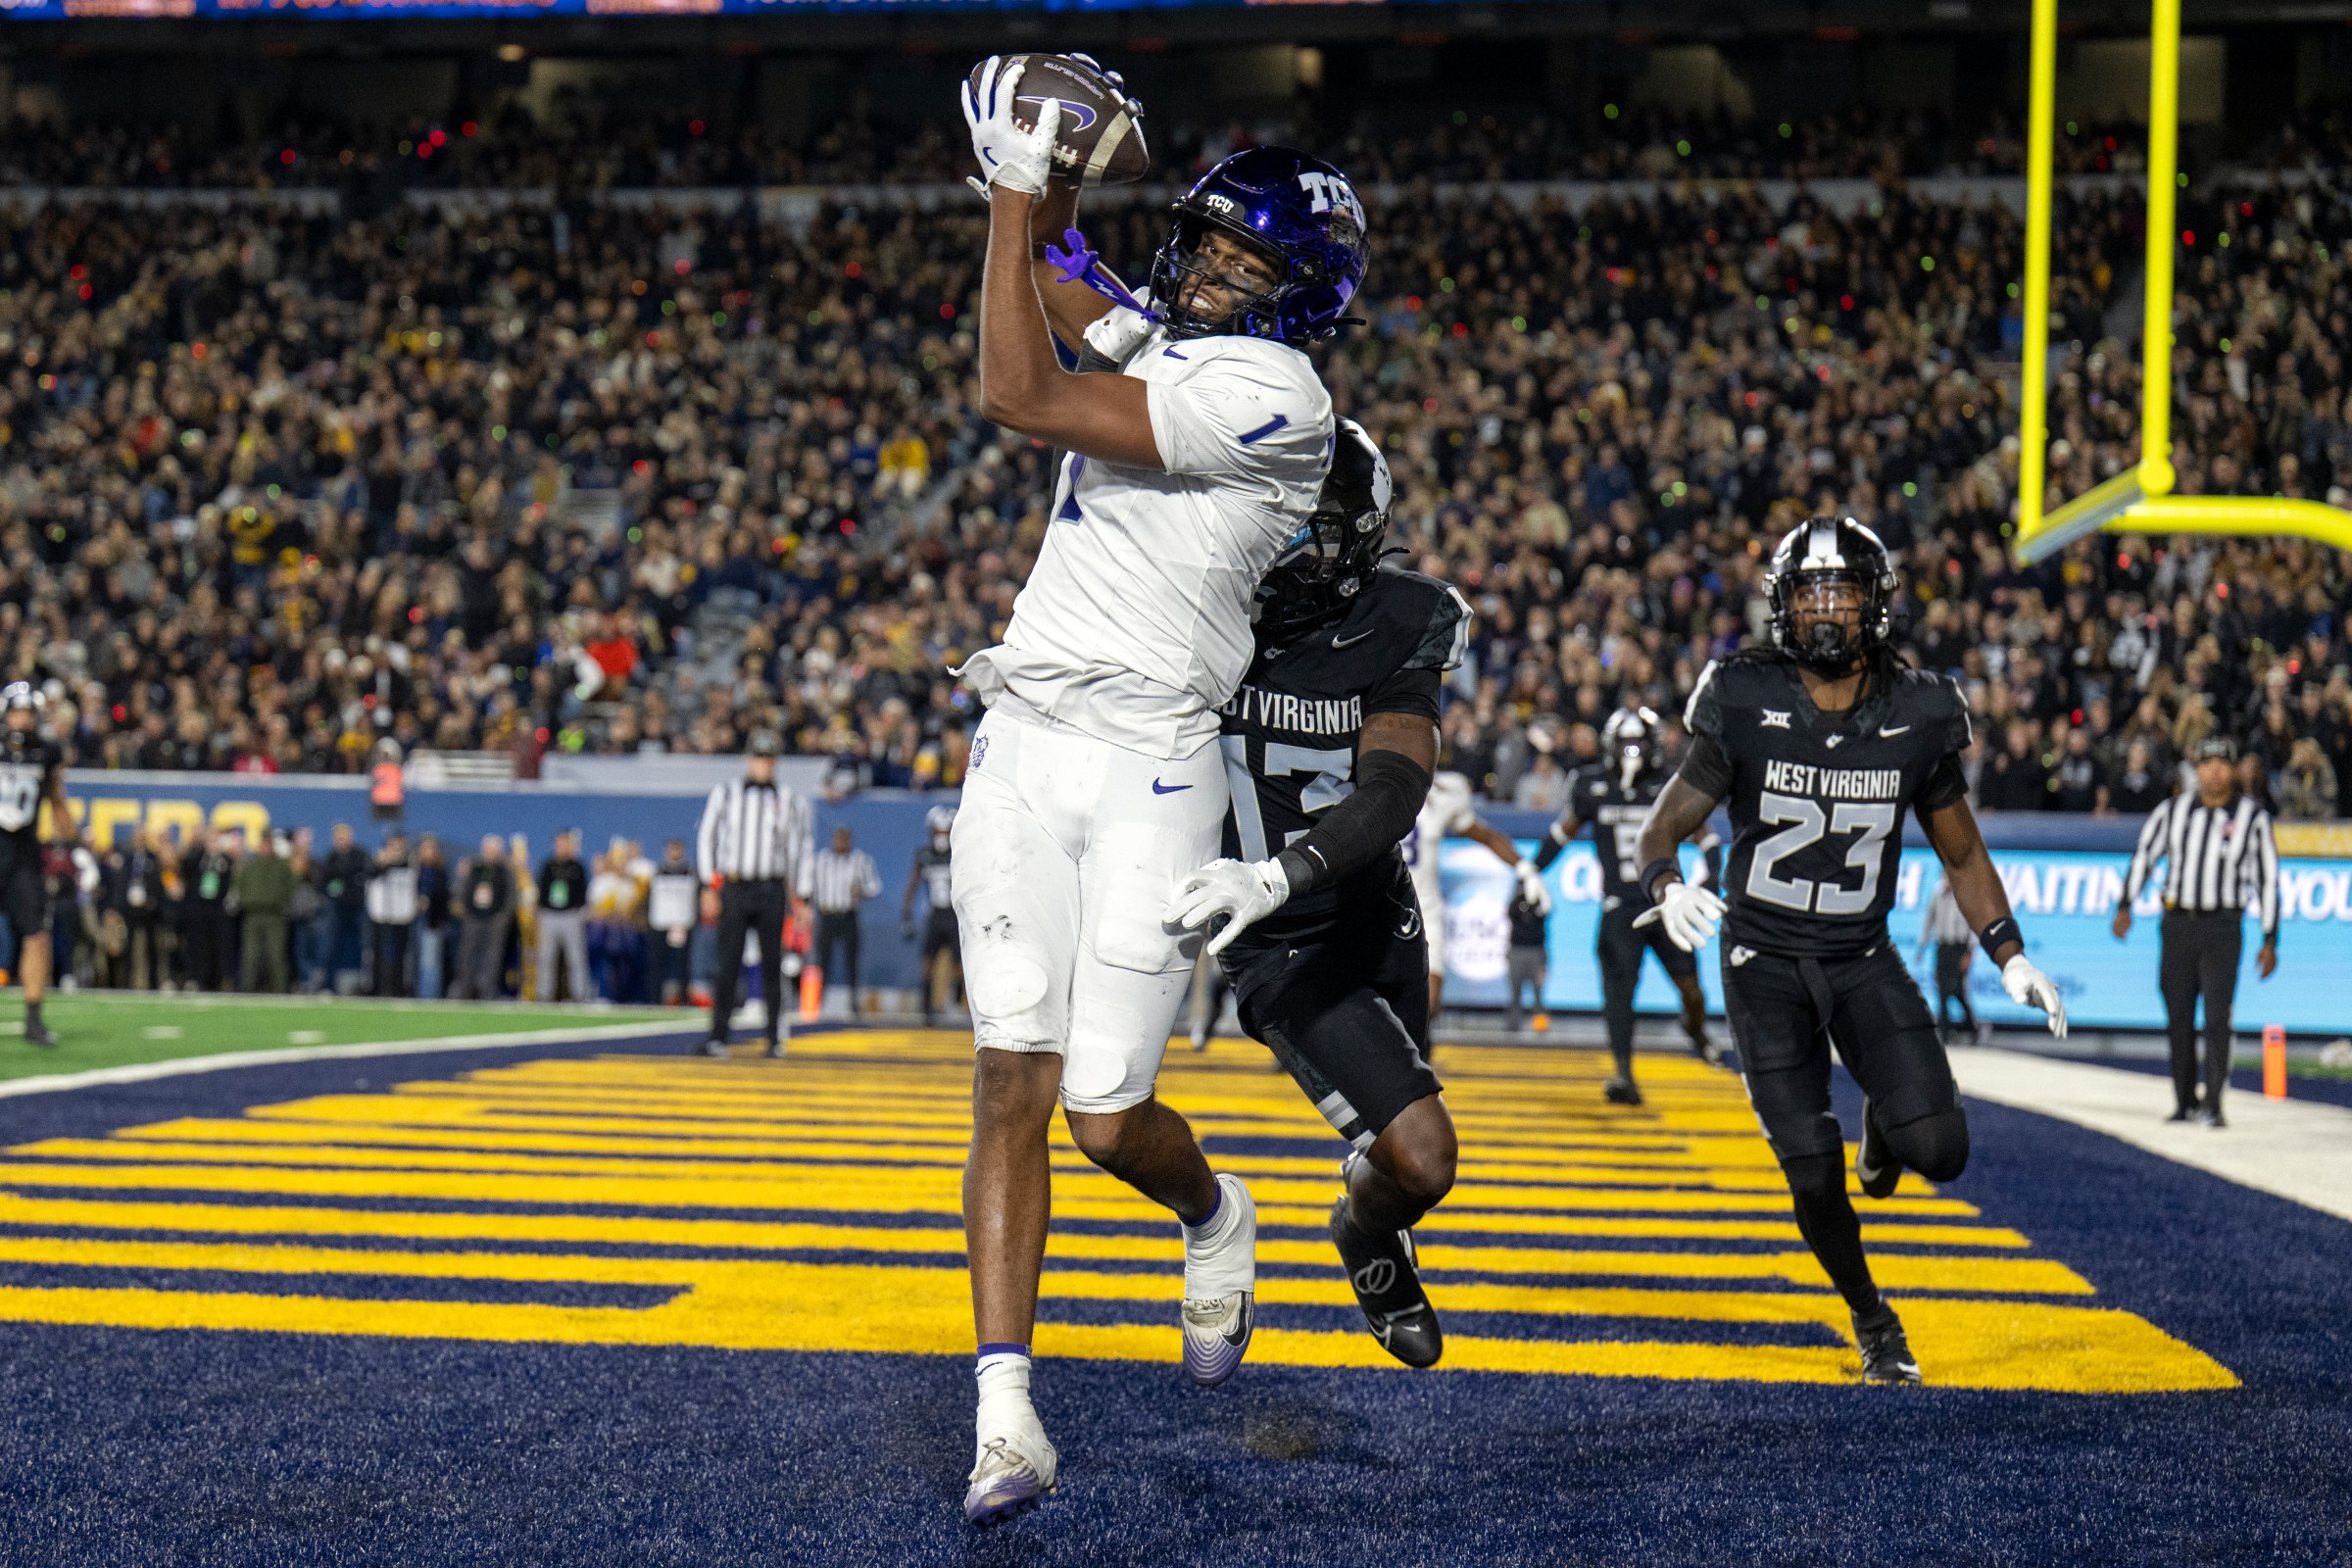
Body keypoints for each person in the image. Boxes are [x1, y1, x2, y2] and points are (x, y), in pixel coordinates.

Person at [955, 59, 1359, 1524]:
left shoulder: (1278, 399)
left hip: (1156, 760)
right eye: (1211, 243)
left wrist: (1016, 193)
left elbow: (1021, 383)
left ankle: (1214, 1208)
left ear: (1302, 294)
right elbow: (1066, 274)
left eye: (1253, 260)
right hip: (1024, 734)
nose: (1212, 269)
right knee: (1012, 1070)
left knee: (1109, 1115)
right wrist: (1040, 168)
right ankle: (1007, 1412)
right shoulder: (1185, 344)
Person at [1633, 517, 2067, 1386]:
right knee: (1813, 1178)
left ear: (1876, 603)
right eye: (1809, 591)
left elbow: (1963, 850)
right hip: (1763, 964)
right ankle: (1874, 1319)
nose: (1826, 608)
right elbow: (1663, 828)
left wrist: (2008, 952)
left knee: (1939, 1149)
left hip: (1861, 956)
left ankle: (1885, 1128)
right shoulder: (1745, 694)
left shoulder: (1918, 708)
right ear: (1783, 604)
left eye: (1842, 591)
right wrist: (1666, 885)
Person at [1167, 420, 1464, 1371]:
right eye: (1275, 517)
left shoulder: (1403, 613)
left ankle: (1370, 1220)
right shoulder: (1193, 606)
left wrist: (1285, 867)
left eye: (1312, 523)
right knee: (1423, 1152)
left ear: (1361, 533)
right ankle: (1365, 1236)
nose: (1288, 542)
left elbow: (1393, 785)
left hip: (1375, 904)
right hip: (1275, 940)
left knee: (1400, 1153)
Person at [1533, 706, 1721, 1105]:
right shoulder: (1592, 784)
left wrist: (1714, 875)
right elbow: (1560, 833)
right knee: (1619, 993)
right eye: (1626, 743)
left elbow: (1706, 837)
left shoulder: (1669, 785)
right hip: (1620, 905)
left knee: (1692, 989)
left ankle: (1696, 1029)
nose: (1633, 751)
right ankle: (1623, 1073)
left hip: (1665, 901)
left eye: (1639, 743)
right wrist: (1529, 872)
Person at [2114, 734, 2280, 1128]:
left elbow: (2267, 880)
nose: (2215, 771)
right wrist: (2125, 903)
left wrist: (2271, 937)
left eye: (2223, 763)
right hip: (2177, 924)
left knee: (2218, 1015)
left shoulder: (2252, 817)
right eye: (2207, 763)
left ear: (2235, 769)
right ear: (2197, 769)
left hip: (2223, 925)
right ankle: (2184, 1099)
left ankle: (2215, 1102)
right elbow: (2145, 855)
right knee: (2178, 1014)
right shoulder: (2173, 810)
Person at [695, 730, 815, 1055]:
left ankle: (775, 1038)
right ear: (749, 759)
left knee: (772, 964)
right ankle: (718, 1036)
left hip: (771, 888)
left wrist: (801, 895)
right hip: (735, 886)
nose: (764, 766)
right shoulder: (726, 793)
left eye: (770, 759)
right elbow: (707, 837)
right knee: (727, 963)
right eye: (759, 758)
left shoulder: (789, 799)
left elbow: (800, 848)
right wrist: (708, 884)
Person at [1408, 769, 1548, 1026]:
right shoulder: (1366, 778)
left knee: (1428, 1004)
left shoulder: (1445, 790)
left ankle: (1413, 1060)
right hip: (1376, 905)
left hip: (1423, 908)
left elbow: (1485, 834)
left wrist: (1525, 869)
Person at [0, 682, 75, 1044]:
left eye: (28, 713)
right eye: (16, 711)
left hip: (24, 853)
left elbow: (57, 800)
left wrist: (74, 838)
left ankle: (33, 1018)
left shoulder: (47, 752)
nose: (21, 719)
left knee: (36, 934)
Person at [809, 824, 882, 1017]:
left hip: (848, 915)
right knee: (822, 960)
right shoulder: (821, 860)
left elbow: (875, 886)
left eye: (844, 838)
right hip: (827, 915)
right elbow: (809, 885)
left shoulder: (860, 860)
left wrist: (861, 891)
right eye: (837, 838)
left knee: (852, 961)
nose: (840, 842)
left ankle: (853, 1002)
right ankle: (817, 1002)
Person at [903, 806, 961, 1026]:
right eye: (938, 832)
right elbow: (912, 886)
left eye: (946, 832)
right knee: (927, 964)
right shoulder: (924, 856)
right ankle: (926, 1008)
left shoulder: (959, 854)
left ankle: (957, 998)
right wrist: (906, 918)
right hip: (935, 915)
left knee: (960, 967)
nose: (941, 837)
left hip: (955, 916)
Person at [1915, 872, 1983, 1045]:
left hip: (1960, 948)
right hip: (1943, 947)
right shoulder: (1937, 893)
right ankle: (1945, 1032)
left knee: (1958, 991)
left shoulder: (1966, 895)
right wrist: (1922, 947)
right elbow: (1929, 920)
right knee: (1942, 990)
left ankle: (1972, 1026)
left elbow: (1974, 924)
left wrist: (1969, 953)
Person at [232, 829, 296, 994]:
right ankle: (248, 989)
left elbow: (290, 887)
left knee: (276, 955)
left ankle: (280, 990)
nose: (266, 847)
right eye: (263, 843)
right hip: (252, 913)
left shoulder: (282, 866)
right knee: (250, 955)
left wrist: (284, 908)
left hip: (274, 915)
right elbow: (240, 885)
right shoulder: (250, 866)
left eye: (269, 843)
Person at [455, 834, 515, 1000]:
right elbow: (464, 890)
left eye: (494, 850)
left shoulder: (504, 871)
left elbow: (510, 896)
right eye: (488, 849)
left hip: (494, 920)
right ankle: (465, 991)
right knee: (467, 956)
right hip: (473, 918)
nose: (491, 853)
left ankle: (487, 993)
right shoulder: (475, 868)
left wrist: (503, 917)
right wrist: (466, 911)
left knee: (493, 958)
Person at [534, 828, 591, 1002]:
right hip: (549, 915)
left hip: (571, 916)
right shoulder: (548, 866)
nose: (563, 847)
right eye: (560, 843)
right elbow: (541, 891)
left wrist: (580, 911)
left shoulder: (577, 867)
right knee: (545, 959)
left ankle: (579, 994)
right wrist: (540, 910)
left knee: (576, 959)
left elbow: (583, 893)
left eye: (566, 843)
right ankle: (544, 995)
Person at [181, 825, 236, 992]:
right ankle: (196, 979)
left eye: (215, 839)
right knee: (198, 947)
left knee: (217, 948)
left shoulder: (226, 860)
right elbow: (184, 866)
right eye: (210, 839)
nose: (212, 843)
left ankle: (216, 981)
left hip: (217, 910)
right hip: (199, 909)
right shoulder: (198, 858)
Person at [646, 839, 700, 1005]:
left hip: (682, 925)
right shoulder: (658, 872)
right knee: (656, 965)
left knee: (683, 965)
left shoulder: (690, 873)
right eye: (671, 849)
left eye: (677, 849)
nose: (674, 853)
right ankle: (654, 1001)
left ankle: (683, 1000)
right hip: (660, 924)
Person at [320, 822, 372, 994]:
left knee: (364, 948)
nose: (341, 842)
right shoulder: (331, 858)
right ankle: (328, 986)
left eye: (344, 838)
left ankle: (364, 986)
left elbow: (365, 873)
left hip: (357, 908)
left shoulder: (360, 855)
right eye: (338, 838)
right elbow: (325, 881)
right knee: (331, 947)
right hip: (337, 908)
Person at [366, 832, 417, 997]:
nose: (396, 851)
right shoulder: (377, 860)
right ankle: (378, 987)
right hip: (380, 914)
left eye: (399, 847)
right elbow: (369, 875)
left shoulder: (411, 862)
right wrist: (382, 863)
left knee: (401, 955)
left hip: (402, 915)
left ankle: (397, 988)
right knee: (378, 953)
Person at [413, 834, 451, 1000]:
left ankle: (428, 998)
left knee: (430, 962)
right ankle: (416, 993)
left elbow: (443, 897)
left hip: (432, 922)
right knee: (416, 961)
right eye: (424, 848)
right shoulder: (415, 870)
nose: (426, 851)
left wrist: (429, 901)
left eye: (430, 848)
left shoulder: (440, 873)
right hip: (414, 921)